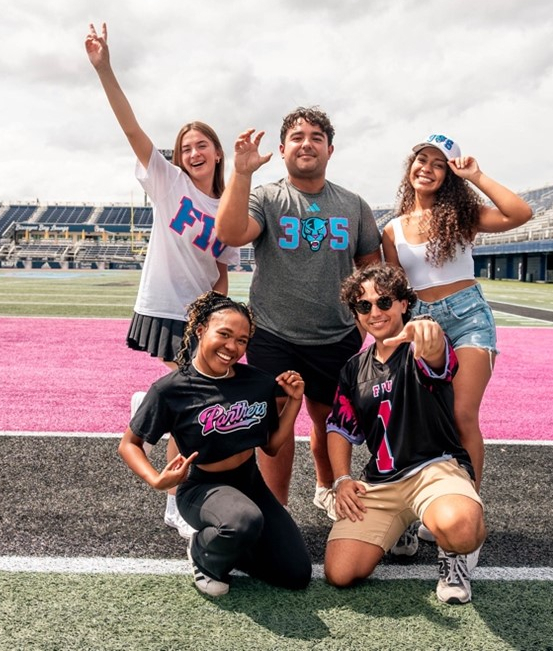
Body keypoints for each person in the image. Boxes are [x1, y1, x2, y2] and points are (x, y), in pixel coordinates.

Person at [85, 23, 239, 538]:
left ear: (218, 153)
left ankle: (150, 404)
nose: (192, 152)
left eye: (202, 145)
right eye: (185, 146)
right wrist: (105, 69)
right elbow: (131, 129)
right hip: (162, 304)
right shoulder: (168, 182)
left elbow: (221, 269)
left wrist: (219, 315)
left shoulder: (230, 207)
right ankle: (177, 499)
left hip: (198, 313)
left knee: (188, 401)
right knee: (191, 404)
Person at [215, 108, 381, 517]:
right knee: (277, 422)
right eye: (297, 137)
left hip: (336, 334)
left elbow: (374, 273)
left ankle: (327, 487)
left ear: (330, 149)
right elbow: (231, 233)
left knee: (329, 422)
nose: (306, 143)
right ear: (282, 148)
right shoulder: (266, 196)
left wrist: (367, 327)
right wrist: (241, 173)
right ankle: (276, 511)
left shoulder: (354, 204)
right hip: (274, 332)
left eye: (316, 137)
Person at [118, 291, 312, 597]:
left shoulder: (257, 383)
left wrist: (294, 403)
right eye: (224, 334)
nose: (232, 347)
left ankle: (232, 538)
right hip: (202, 487)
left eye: (242, 340)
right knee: (244, 520)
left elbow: (272, 447)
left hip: (249, 481)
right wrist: (156, 479)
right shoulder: (171, 389)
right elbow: (129, 444)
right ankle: (203, 552)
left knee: (296, 573)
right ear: (200, 330)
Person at [323, 263, 486, 604]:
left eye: (384, 302)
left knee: (462, 529)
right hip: (381, 482)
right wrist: (340, 479)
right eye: (364, 306)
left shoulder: (420, 347)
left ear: (403, 303)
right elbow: (339, 427)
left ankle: (455, 559)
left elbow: (434, 352)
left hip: (433, 470)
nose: (375, 312)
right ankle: (406, 522)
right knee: (340, 572)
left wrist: (429, 334)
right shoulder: (354, 368)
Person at [382, 134, 532, 501]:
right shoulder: (392, 229)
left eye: (439, 164)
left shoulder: (463, 216)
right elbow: (397, 289)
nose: (428, 168)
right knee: (423, 419)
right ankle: (426, 499)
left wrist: (476, 176)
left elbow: (520, 213)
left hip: (468, 318)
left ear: (449, 175)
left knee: (462, 415)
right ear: (411, 166)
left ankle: (469, 505)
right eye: (422, 160)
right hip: (421, 323)